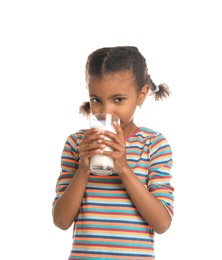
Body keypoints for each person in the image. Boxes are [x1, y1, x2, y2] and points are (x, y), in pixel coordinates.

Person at [52, 46, 174, 259]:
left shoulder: (153, 145)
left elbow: (162, 223)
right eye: (96, 99)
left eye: (118, 99)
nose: (105, 111)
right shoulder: (76, 144)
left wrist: (124, 168)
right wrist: (83, 168)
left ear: (141, 95)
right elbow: (61, 221)